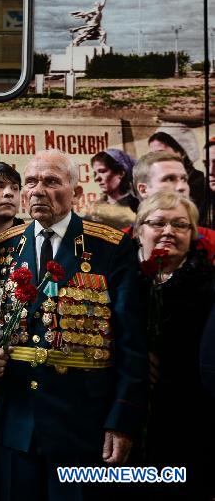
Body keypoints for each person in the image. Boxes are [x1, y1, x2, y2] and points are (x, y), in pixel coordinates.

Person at [0, 149, 146, 501]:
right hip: (18, 421)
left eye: (51, 181)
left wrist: (121, 420)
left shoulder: (109, 247)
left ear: (76, 191)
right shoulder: (5, 247)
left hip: (82, 422)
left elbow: (131, 341)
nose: (38, 190)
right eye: (31, 181)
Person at [134, 191, 214, 499]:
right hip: (126, 422)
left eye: (180, 225)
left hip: (190, 423)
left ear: (193, 235)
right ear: (139, 229)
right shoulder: (120, 282)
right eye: (158, 223)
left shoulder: (208, 286)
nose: (169, 231)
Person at [133, 151, 215, 262]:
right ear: (143, 190)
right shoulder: (116, 242)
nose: (182, 187)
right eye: (169, 179)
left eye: (184, 179)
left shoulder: (211, 240)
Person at [148, 131, 208, 221]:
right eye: (153, 155)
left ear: (181, 153)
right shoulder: (153, 183)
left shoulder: (201, 183)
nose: (156, 159)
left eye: (161, 153)